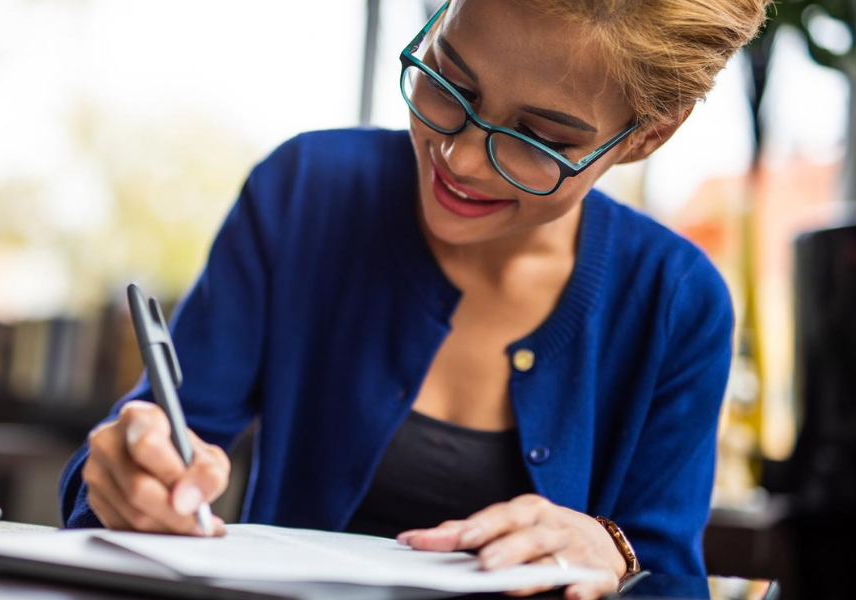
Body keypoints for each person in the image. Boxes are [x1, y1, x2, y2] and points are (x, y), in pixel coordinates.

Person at [59, 1, 769, 598]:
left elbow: (669, 574)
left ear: (648, 135)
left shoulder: (677, 302)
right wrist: (125, 478)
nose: (457, 159)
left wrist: (612, 551)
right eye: (449, 81)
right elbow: (150, 449)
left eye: (538, 138)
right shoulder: (304, 192)